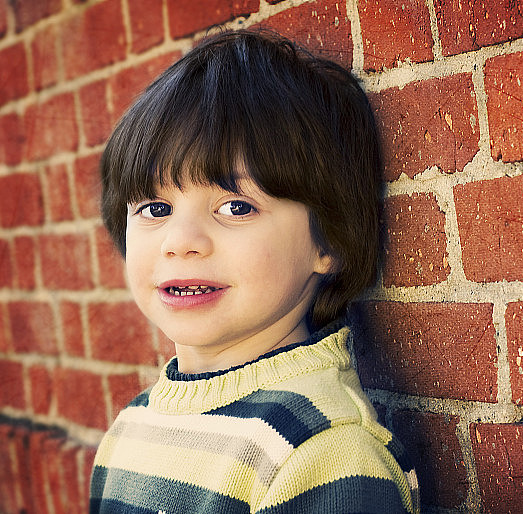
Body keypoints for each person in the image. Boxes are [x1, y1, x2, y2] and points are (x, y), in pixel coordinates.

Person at [89, 29, 419, 513]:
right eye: (156, 209)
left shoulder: (325, 452)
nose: (180, 241)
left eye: (236, 207)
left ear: (327, 242)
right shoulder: (132, 428)